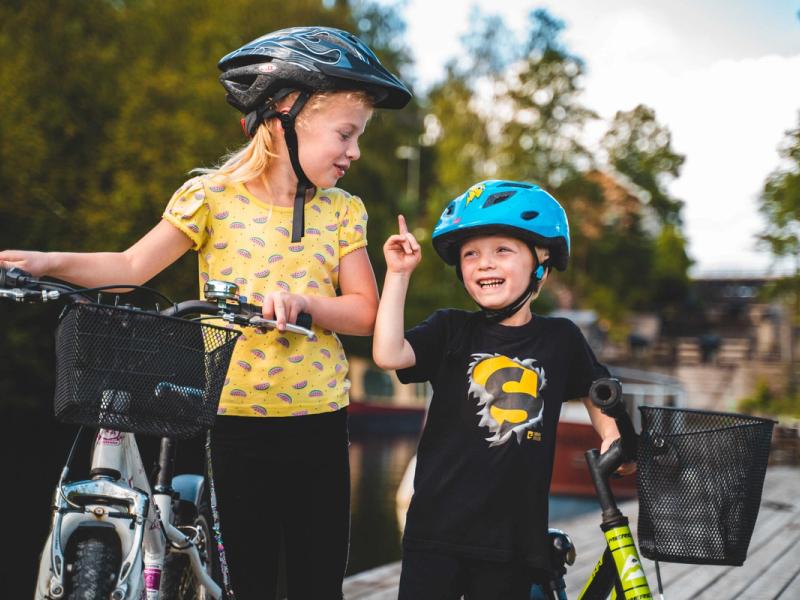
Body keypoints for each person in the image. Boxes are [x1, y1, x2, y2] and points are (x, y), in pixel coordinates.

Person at [0, 26, 410, 600]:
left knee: (318, 580)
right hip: (235, 417)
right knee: (250, 576)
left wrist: (305, 303)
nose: (355, 152)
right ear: (285, 115)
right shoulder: (209, 197)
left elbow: (365, 312)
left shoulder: (343, 211)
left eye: (358, 137)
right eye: (345, 134)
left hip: (318, 419)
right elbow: (131, 266)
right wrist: (47, 262)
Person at [373, 180, 632, 600]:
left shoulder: (560, 338)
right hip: (436, 534)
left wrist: (613, 437)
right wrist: (398, 275)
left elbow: (596, 390)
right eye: (471, 253)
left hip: (513, 542)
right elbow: (388, 353)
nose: (484, 264)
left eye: (502, 251)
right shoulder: (450, 328)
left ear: (540, 262)